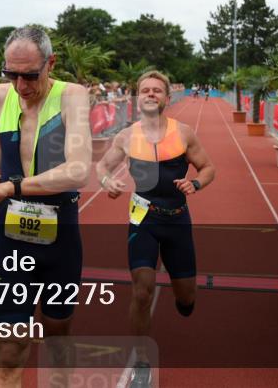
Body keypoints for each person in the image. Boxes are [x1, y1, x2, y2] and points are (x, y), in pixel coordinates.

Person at [0, 26, 92, 388]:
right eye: (11, 74)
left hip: (60, 237)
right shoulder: (1, 96)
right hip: (13, 242)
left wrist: (7, 185)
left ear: (51, 63)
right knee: (10, 349)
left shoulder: (71, 97)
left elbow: (78, 170)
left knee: (57, 337)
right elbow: (6, 147)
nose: (20, 85)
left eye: (30, 75)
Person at [95, 70, 216, 386]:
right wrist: (107, 181)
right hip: (143, 219)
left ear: (166, 97)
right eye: (145, 90)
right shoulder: (126, 136)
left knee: (187, 300)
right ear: (138, 97)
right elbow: (102, 166)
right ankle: (142, 362)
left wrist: (196, 183)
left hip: (177, 219)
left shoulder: (184, 133)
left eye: (156, 90)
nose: (150, 94)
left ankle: (183, 300)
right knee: (142, 289)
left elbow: (208, 167)